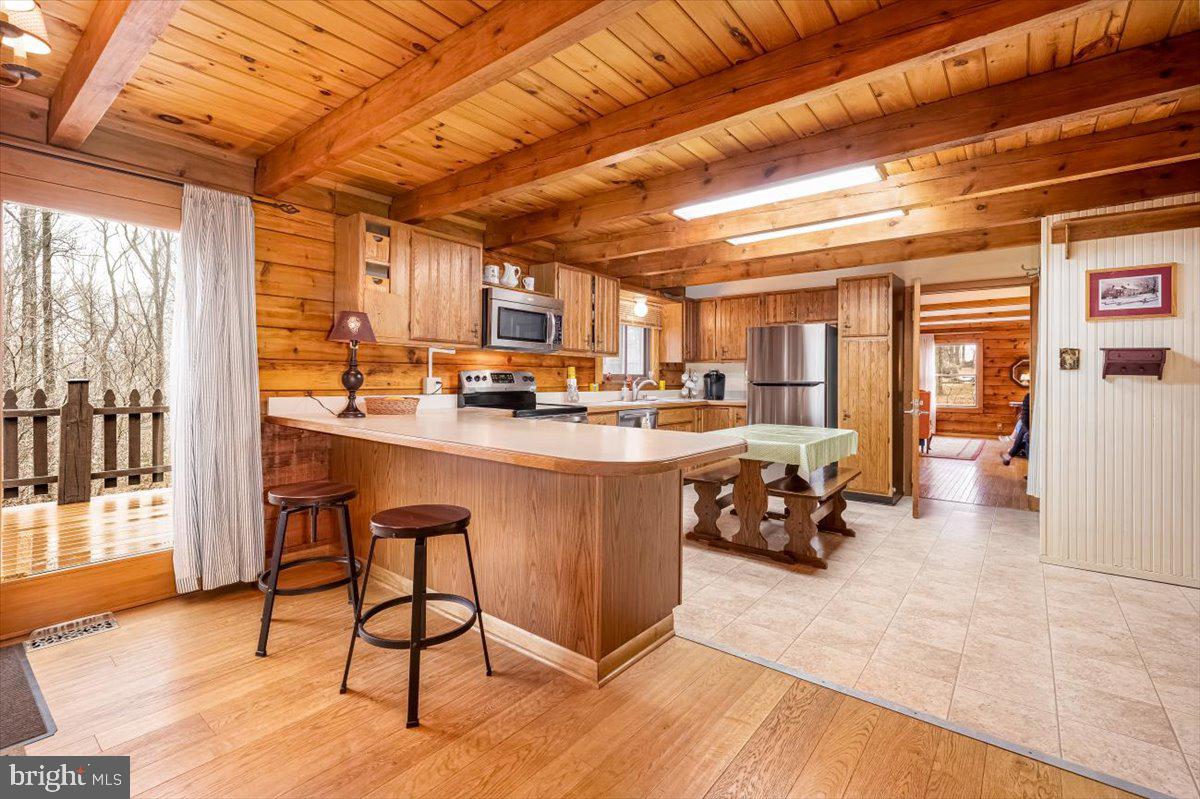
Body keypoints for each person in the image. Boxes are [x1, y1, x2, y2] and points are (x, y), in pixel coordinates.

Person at [1002, 392, 1030, 465]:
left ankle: (1010, 453)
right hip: (1027, 428)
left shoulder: (1029, 396)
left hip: (1028, 429)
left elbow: (1026, 421)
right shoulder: (1030, 396)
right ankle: (1010, 453)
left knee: (1022, 426)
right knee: (1022, 425)